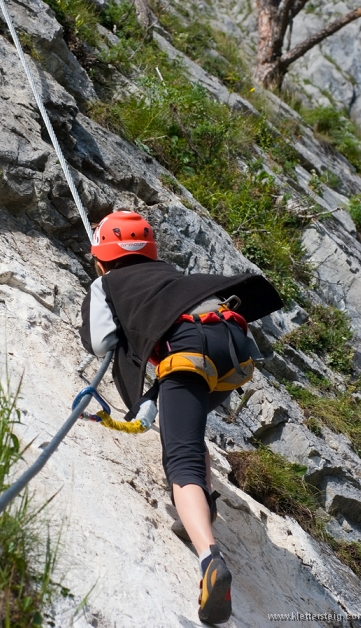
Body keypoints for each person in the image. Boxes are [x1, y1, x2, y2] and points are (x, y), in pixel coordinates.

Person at [80, 211, 282, 625]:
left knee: (181, 457)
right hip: (235, 347)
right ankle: (200, 510)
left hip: (188, 349)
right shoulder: (168, 272)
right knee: (188, 431)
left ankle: (210, 559)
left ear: (100, 258)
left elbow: (99, 343)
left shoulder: (106, 281)